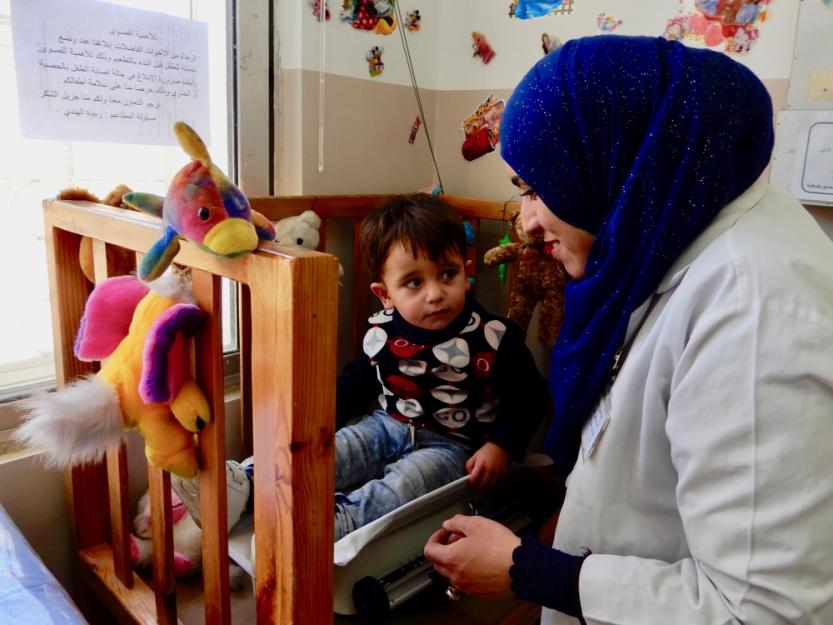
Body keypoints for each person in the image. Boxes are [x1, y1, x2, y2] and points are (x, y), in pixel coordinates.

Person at [423, 35, 833, 624]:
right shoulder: (661, 245)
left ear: (617, 157)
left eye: (535, 189)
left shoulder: (754, 316)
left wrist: (526, 570)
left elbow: (764, 611)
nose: (528, 222)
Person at [173, 193, 549, 541]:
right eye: (414, 283)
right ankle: (247, 485)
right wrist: (315, 428)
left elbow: (531, 396)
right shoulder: (381, 333)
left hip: (453, 446)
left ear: (465, 273)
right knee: (338, 450)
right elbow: (356, 384)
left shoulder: (494, 336)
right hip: (386, 424)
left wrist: (501, 446)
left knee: (404, 485)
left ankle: (338, 521)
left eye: (447, 274)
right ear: (385, 295)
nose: (435, 294)